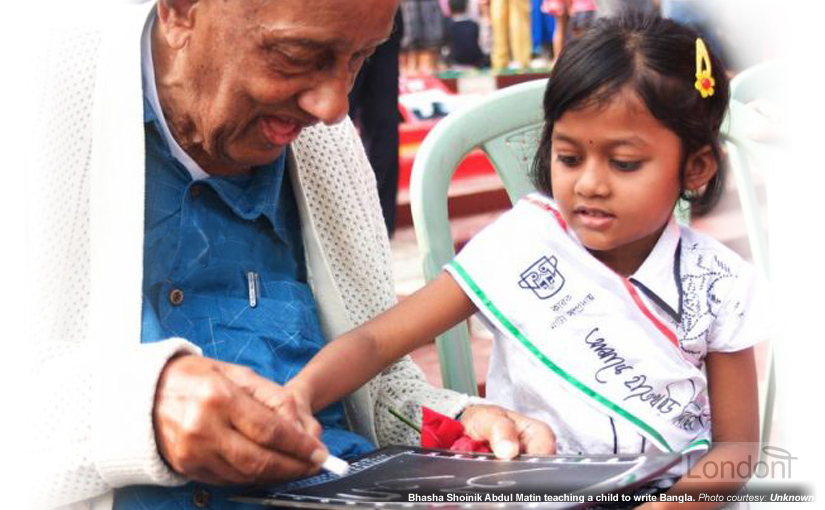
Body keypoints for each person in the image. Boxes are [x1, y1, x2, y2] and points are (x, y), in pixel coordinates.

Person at [24, 1, 556, 509]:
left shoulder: (326, 147)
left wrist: (460, 424)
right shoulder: (32, 93)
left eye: (359, 61)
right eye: (296, 57)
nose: (333, 109)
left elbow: (380, 387)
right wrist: (139, 406)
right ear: (182, 9)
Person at [282, 13, 767, 506]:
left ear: (697, 166)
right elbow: (374, 342)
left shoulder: (716, 283)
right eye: (569, 157)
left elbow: (736, 447)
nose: (589, 184)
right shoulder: (526, 240)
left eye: (624, 163)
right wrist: (297, 396)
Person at [349, 11, 404, 236]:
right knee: (326, 127)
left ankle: (380, 222)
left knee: (384, 123)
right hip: (333, 17)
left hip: (384, 19)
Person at [445, 0, 490, 68]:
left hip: (456, 63)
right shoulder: (474, 25)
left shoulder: (448, 25)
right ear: (466, 7)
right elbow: (484, 44)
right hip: (476, 62)